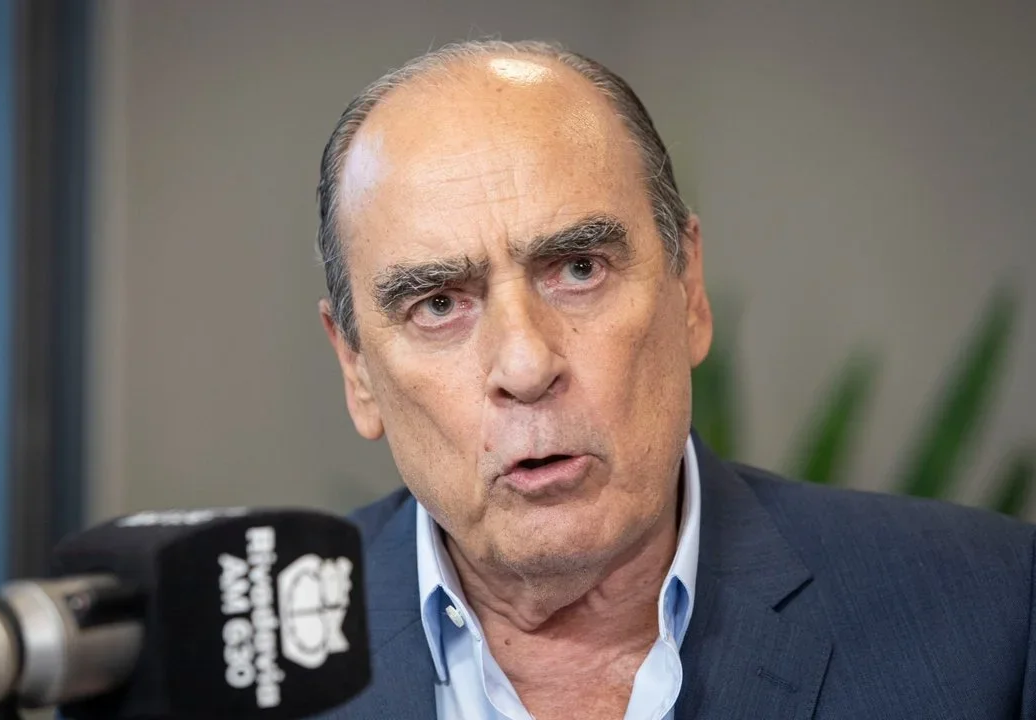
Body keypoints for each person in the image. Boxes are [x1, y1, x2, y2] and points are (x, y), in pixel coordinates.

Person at [314, 40, 1035, 720]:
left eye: (579, 270)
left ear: (688, 290)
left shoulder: (991, 608)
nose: (527, 367)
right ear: (357, 370)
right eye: (439, 305)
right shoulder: (251, 665)